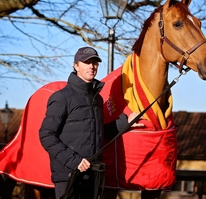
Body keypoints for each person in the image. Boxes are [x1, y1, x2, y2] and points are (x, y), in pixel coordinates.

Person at [39, 46, 141, 199]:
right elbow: (46, 135)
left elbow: (101, 132)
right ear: (76, 66)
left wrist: (126, 121)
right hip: (69, 176)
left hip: (92, 177)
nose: (92, 66)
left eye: (95, 63)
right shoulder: (62, 97)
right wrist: (74, 161)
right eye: (87, 62)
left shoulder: (97, 99)